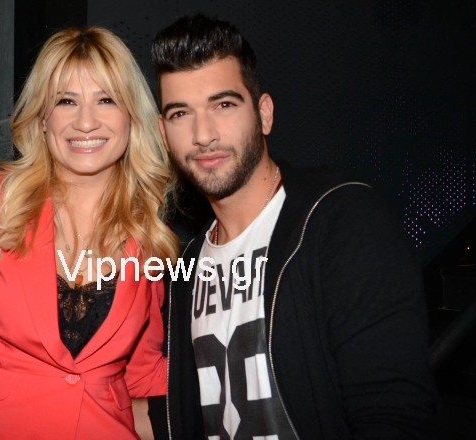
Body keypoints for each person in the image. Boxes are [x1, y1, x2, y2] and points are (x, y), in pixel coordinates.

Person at [149, 14, 438, 439]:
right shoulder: (185, 267)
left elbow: (394, 415)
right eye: (180, 113)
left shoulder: (340, 221)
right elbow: (179, 416)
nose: (203, 134)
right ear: (163, 132)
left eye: (224, 105)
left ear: (264, 114)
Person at [0, 26, 179, 440]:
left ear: (132, 117)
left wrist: (231, 371)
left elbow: (142, 374)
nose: (86, 121)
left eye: (106, 100)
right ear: (43, 118)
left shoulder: (150, 236)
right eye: (66, 101)